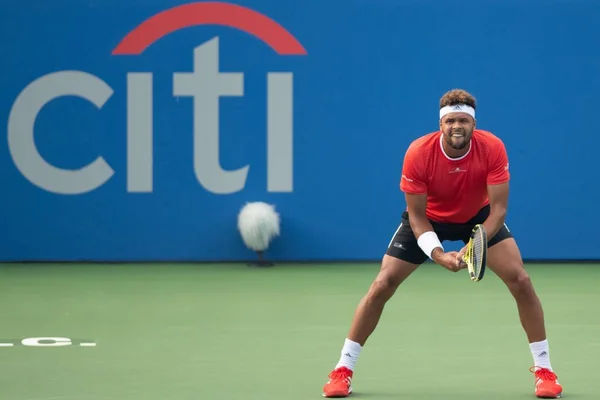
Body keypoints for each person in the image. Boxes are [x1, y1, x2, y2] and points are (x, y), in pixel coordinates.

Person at [321, 89, 563, 399]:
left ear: (474, 124)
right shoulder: (419, 153)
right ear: (441, 124)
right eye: (450, 121)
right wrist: (437, 254)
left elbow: (499, 211)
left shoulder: (493, 148)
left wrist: (476, 243)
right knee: (383, 283)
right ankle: (343, 369)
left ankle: (545, 371)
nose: (457, 127)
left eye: (463, 120)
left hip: (479, 217)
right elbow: (417, 217)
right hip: (429, 219)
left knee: (521, 280)